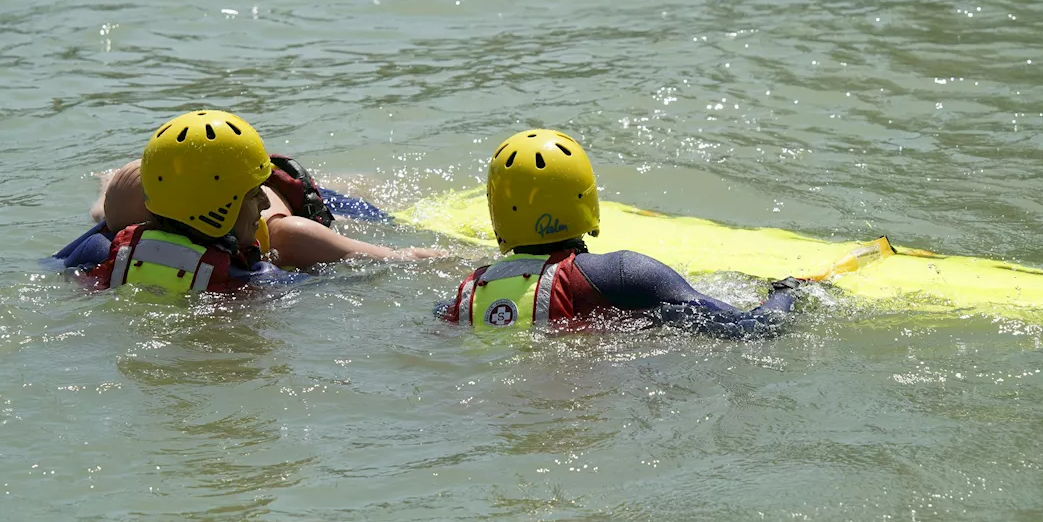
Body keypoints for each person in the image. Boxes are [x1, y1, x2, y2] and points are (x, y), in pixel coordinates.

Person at [436, 129, 824, 338]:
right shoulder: (622, 272)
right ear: (585, 196)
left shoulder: (466, 295)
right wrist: (785, 293)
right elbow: (751, 331)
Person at [56, 132, 440, 273]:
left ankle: (353, 184)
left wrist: (460, 258)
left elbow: (393, 257)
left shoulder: (289, 235)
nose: (259, 201)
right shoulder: (122, 223)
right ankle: (108, 180)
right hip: (195, 178)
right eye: (252, 196)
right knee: (105, 208)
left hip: (288, 196)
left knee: (362, 214)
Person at [80, 109, 285, 294]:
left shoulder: (99, 250)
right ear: (216, 205)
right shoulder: (249, 279)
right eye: (254, 193)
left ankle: (107, 183)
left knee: (109, 215)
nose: (265, 203)